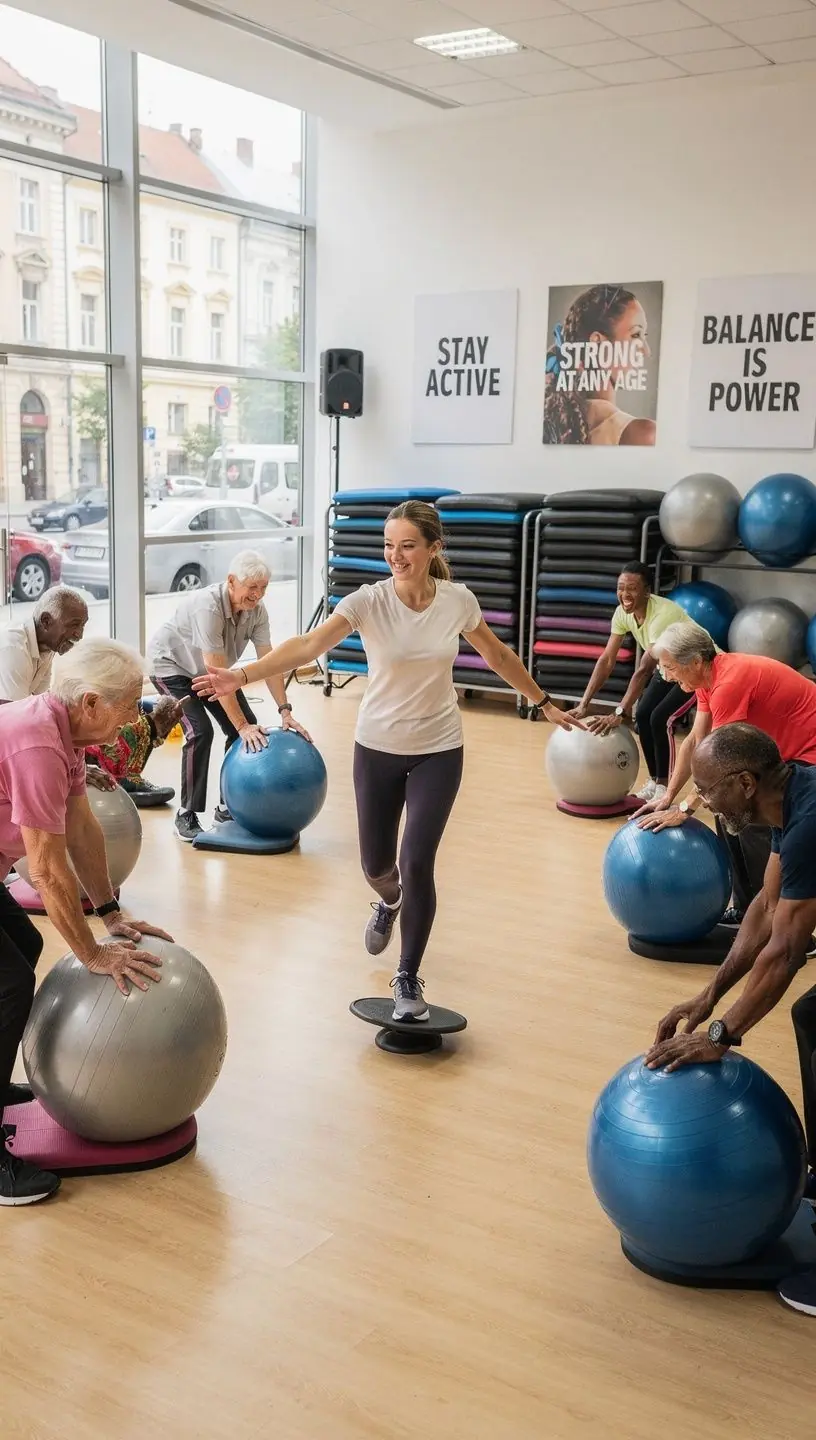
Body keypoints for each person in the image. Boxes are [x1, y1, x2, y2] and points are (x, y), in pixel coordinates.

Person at [193, 500, 583, 1022]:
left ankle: (407, 976)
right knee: (378, 866)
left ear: (432, 549)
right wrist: (241, 676)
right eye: (388, 545)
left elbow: (496, 654)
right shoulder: (368, 601)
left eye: (406, 546)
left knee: (418, 861)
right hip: (376, 746)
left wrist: (543, 701)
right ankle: (389, 901)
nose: (394, 556)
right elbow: (308, 645)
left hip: (439, 749)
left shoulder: (457, 601)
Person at [644, 723, 816, 1316]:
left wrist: (720, 1037)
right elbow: (765, 911)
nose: (706, 802)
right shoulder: (786, 799)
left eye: (711, 790)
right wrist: (709, 997)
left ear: (745, 782)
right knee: (812, 1018)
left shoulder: (809, 821)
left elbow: (787, 951)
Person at [0, 637, 171, 1207]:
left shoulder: (64, 733)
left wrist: (111, 913)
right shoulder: (36, 744)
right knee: (7, 986)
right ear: (93, 703)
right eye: (128, 707)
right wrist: (94, 954)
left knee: (21, 943)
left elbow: (83, 832)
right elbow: (47, 870)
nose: (132, 720)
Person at [636, 621, 816, 924]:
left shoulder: (728, 684)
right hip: (785, 749)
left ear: (694, 661)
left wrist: (686, 808)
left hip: (809, 751)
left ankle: (782, 921)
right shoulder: (708, 678)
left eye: (670, 668)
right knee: (727, 810)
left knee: (755, 816)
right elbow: (695, 740)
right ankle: (747, 910)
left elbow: (722, 762)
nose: (665, 676)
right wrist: (668, 797)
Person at [147, 550, 310, 843]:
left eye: (263, 588)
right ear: (232, 581)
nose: (258, 594)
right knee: (200, 731)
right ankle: (186, 813)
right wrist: (240, 726)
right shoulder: (207, 608)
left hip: (209, 672)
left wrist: (285, 709)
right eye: (252, 587)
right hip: (170, 666)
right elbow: (216, 672)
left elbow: (269, 663)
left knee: (246, 727)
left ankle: (226, 805)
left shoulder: (257, 612)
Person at [567, 563, 699, 801]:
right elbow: (607, 660)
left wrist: (619, 711)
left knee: (661, 718)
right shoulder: (622, 613)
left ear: (647, 592)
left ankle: (664, 788)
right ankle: (655, 781)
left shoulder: (662, 614)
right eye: (621, 588)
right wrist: (584, 704)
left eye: (632, 589)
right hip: (668, 667)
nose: (625, 595)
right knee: (645, 714)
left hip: (697, 669)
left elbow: (644, 669)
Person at [543, 284, 655, 446]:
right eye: (636, 335)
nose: (646, 351)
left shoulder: (557, 422)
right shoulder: (643, 434)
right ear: (597, 343)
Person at [84, 695, 185, 806]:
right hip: (100, 768)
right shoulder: (133, 728)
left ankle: (128, 788)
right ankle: (125, 788)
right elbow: (114, 760)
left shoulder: (146, 731)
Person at [0, 586, 88, 701]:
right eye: (74, 625)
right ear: (46, 621)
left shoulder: (48, 646)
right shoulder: (14, 648)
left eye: (83, 625)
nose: (80, 635)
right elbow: (13, 713)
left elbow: (42, 701)